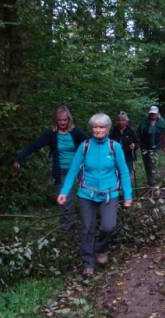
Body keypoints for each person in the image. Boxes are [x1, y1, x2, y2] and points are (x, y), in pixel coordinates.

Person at [57, 113, 132, 276]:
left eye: (101, 127)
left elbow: (124, 172)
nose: (98, 130)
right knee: (87, 228)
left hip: (109, 194)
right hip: (86, 194)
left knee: (108, 226)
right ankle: (88, 262)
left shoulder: (114, 147)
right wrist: (64, 192)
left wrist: (128, 195)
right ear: (91, 128)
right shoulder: (84, 146)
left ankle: (101, 248)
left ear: (107, 128)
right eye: (95, 127)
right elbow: (73, 170)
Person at [11, 105, 87, 231]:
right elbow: (35, 145)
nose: (62, 122)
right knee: (65, 199)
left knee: (85, 196)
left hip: (78, 170)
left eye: (65, 120)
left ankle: (85, 223)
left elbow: (90, 145)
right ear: (56, 120)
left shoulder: (76, 132)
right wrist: (20, 158)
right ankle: (67, 228)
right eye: (60, 120)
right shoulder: (51, 134)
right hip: (61, 171)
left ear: (69, 119)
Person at [137, 105, 165, 186]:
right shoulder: (144, 122)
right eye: (151, 113)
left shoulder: (161, 122)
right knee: (147, 164)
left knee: (153, 165)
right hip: (145, 147)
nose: (152, 115)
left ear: (158, 114)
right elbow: (138, 133)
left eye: (154, 114)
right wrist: (138, 144)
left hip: (156, 147)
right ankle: (150, 182)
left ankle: (153, 183)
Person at [109, 111, 139, 184]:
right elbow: (109, 141)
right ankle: (118, 188)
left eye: (123, 120)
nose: (121, 122)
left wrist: (134, 146)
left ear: (126, 121)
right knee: (116, 173)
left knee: (126, 173)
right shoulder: (114, 130)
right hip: (116, 156)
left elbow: (137, 143)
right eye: (119, 120)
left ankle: (126, 188)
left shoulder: (131, 131)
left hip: (128, 156)